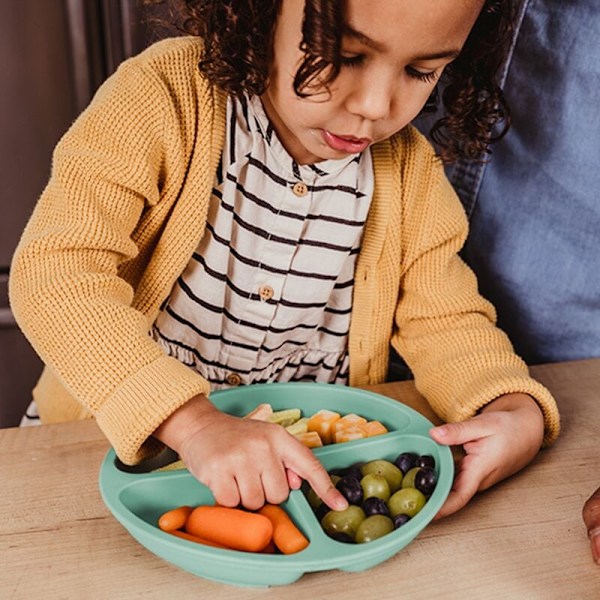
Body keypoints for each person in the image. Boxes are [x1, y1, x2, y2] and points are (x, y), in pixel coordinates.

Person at [9, 0, 560, 518]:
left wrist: (510, 404)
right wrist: (193, 424)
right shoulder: (163, 97)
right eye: (344, 56)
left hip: (291, 479)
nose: (376, 105)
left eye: (420, 71)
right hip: (95, 453)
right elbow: (58, 274)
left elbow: (446, 320)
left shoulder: (411, 173)